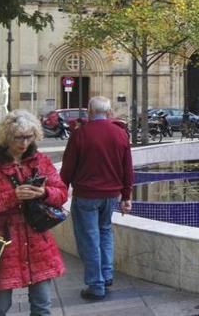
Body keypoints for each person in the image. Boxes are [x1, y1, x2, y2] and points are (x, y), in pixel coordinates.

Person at [0, 110, 67, 316]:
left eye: (29, 137)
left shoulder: (40, 161)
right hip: (4, 245)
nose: (24, 143)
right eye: (18, 137)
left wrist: (44, 192)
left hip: (38, 241)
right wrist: (11, 197)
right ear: (6, 136)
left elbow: (62, 193)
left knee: (42, 306)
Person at [60, 96, 132, 301]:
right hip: (110, 196)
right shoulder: (120, 134)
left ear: (89, 112)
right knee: (105, 232)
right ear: (109, 113)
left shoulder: (80, 134)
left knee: (89, 238)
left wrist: (61, 191)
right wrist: (126, 196)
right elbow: (127, 169)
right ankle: (107, 275)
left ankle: (96, 284)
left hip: (86, 195)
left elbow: (67, 168)